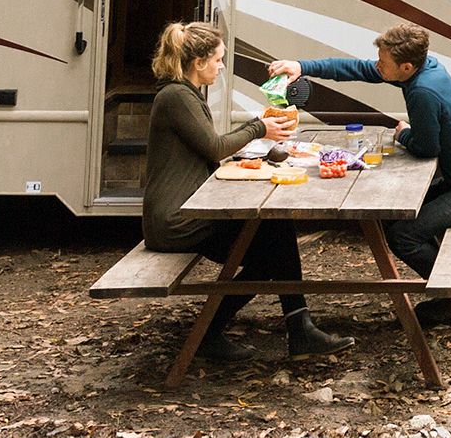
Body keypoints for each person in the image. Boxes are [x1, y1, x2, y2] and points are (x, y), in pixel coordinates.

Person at [271, 23, 451, 326]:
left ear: (406, 66)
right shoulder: (425, 68)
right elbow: (356, 68)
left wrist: (402, 133)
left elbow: (426, 148)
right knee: (400, 217)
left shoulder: (424, 90)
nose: (377, 65)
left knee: (404, 235)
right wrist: (302, 66)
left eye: (383, 62)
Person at [143, 20, 352, 360]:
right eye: (218, 59)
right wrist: (259, 128)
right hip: (177, 222)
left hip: (189, 212)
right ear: (198, 63)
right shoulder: (176, 96)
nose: (222, 66)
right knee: (272, 247)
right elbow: (213, 147)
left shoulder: (185, 93)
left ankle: (297, 330)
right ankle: (214, 334)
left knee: (275, 234)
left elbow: (207, 148)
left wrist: (256, 138)